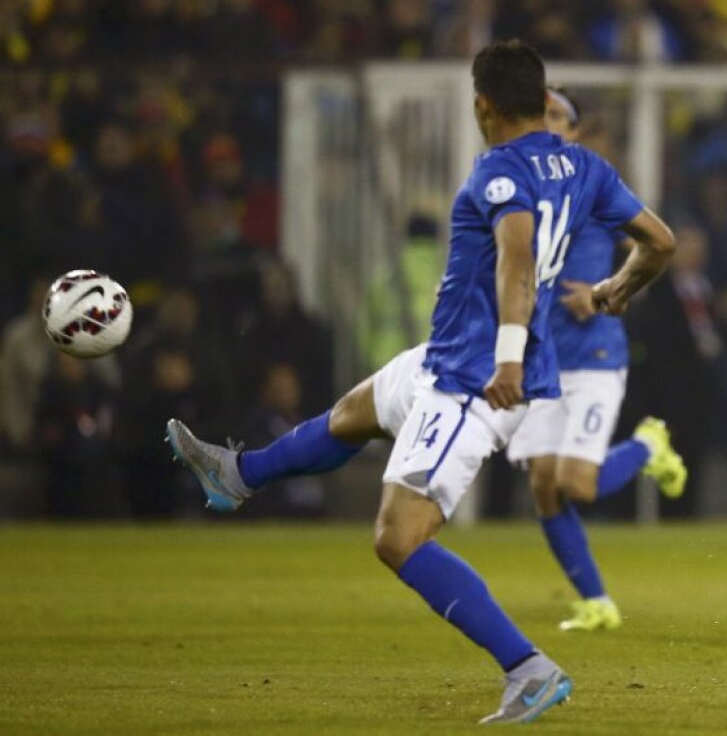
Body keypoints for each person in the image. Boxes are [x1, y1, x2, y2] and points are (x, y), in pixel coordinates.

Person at [164, 39, 676, 724]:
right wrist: (619, 288)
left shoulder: (497, 171)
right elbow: (661, 242)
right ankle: (238, 474)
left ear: (482, 105)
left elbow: (517, 258)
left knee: (398, 537)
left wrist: (509, 356)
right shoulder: (586, 167)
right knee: (355, 412)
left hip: (474, 378)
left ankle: (529, 667)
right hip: (448, 356)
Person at [505, 87, 687, 633]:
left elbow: (653, 245)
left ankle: (647, 446)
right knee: (543, 486)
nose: (549, 124)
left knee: (577, 485)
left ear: (577, 132)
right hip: (544, 359)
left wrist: (607, 288)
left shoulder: (592, 182)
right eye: (541, 115)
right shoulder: (514, 187)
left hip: (595, 355)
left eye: (560, 116)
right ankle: (596, 602)